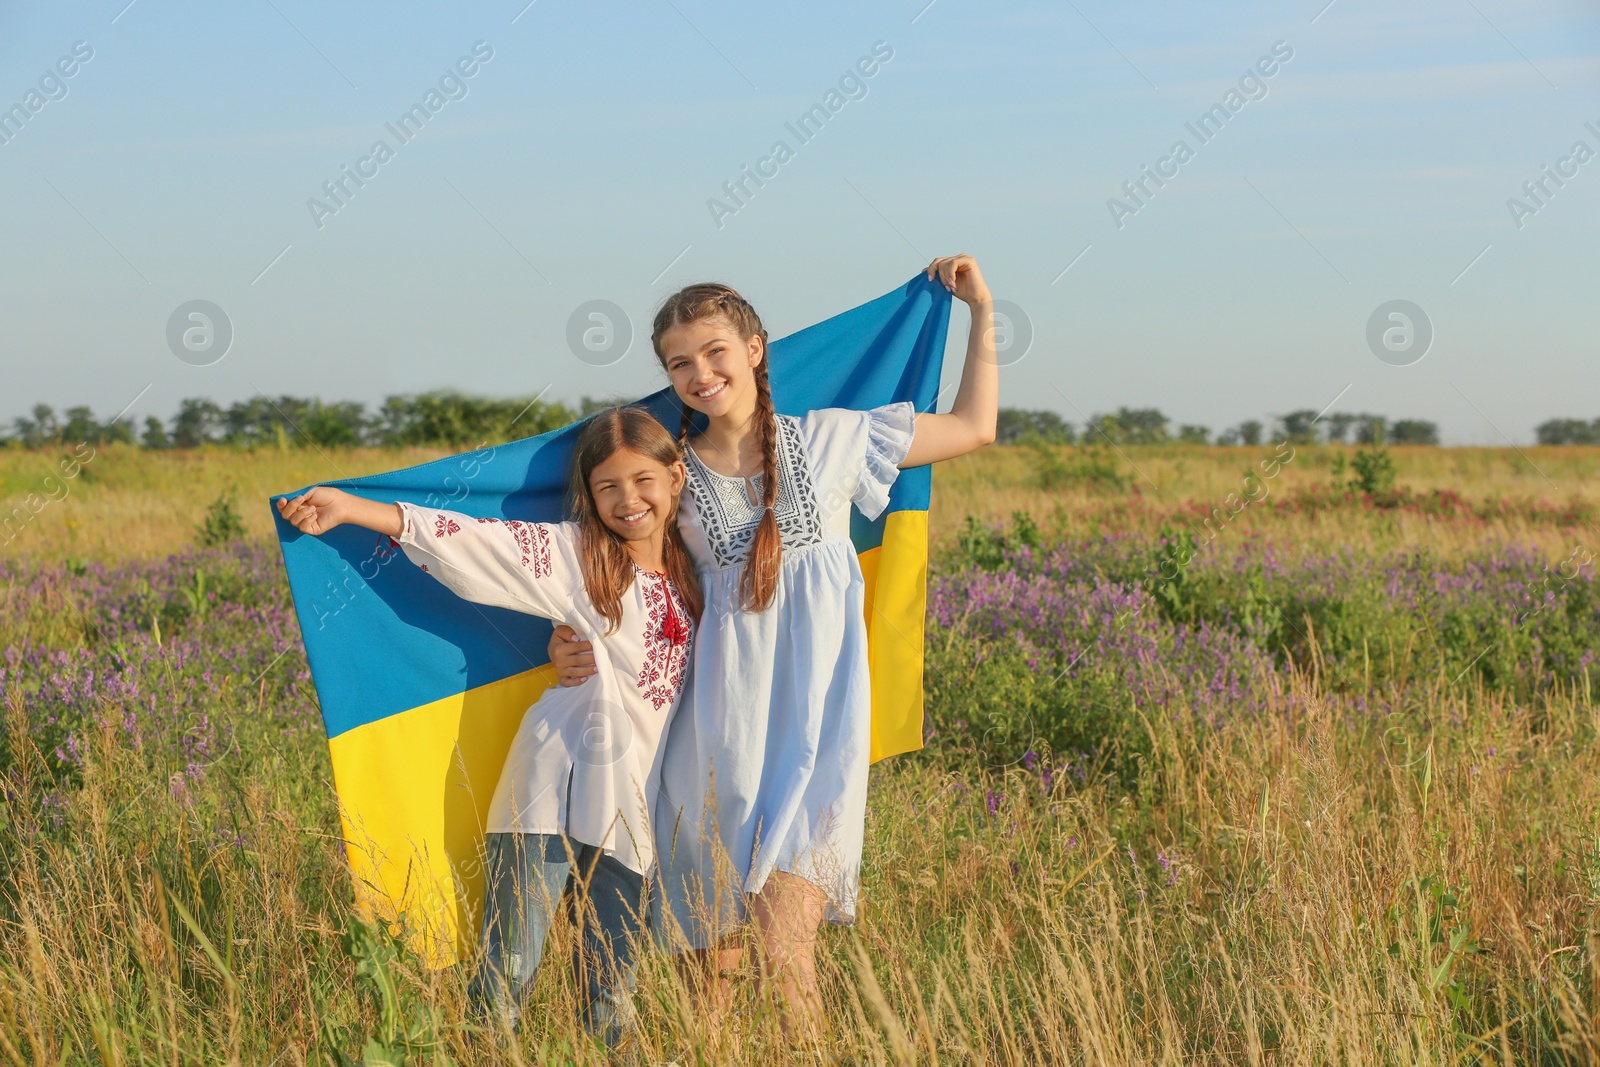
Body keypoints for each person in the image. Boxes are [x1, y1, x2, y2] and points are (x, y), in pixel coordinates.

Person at [548, 255, 999, 1029]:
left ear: (755, 347)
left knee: (788, 955)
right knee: (710, 984)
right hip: (711, 746)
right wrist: (568, 642)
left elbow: (974, 427)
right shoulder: (671, 476)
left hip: (815, 743)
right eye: (678, 363)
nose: (699, 372)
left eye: (714, 351)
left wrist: (981, 314)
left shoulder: (834, 440)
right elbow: (622, 583)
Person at [277, 407, 701, 1044]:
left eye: (643, 480)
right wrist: (354, 508)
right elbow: (472, 539)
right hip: (550, 788)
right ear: (587, 495)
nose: (628, 500)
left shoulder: (701, 566)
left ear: (676, 476)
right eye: (607, 486)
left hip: (638, 803)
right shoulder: (578, 554)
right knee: (509, 968)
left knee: (615, 977)